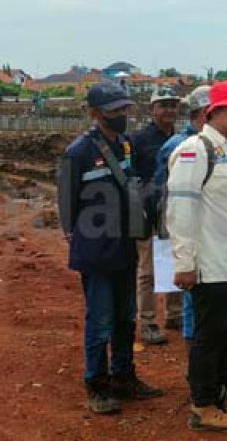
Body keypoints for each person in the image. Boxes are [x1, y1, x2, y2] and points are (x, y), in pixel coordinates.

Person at [57, 82, 162, 415]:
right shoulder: (79, 152)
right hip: (96, 250)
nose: (121, 115)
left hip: (124, 247)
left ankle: (124, 376)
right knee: (101, 320)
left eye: (124, 109)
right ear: (95, 113)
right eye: (114, 110)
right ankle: (97, 384)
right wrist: (78, 236)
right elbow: (67, 204)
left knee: (125, 318)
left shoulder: (126, 146)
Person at [167, 80, 227, 433]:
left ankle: (220, 391)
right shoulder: (195, 149)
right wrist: (185, 263)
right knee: (209, 337)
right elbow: (180, 210)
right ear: (212, 112)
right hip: (210, 266)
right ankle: (202, 406)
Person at [152, 85, 209, 349]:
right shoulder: (181, 146)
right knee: (191, 291)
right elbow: (167, 191)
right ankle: (193, 347)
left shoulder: (214, 144)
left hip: (208, 229)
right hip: (191, 227)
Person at [129, 87, 182, 344]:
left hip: (175, 212)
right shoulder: (138, 140)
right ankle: (148, 320)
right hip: (147, 212)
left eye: (173, 105)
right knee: (147, 269)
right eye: (163, 105)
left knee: (177, 262)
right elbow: (132, 177)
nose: (169, 110)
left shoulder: (184, 140)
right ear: (152, 110)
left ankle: (174, 314)